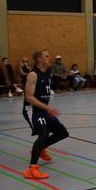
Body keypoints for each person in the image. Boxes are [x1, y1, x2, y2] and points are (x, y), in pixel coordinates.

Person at [22, 49, 69, 179]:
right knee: (43, 133)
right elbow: (29, 97)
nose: (50, 58)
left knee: (62, 132)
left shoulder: (48, 72)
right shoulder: (33, 75)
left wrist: (46, 108)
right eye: (47, 56)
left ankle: (40, 148)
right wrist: (48, 108)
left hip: (43, 109)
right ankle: (32, 169)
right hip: (32, 110)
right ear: (39, 59)